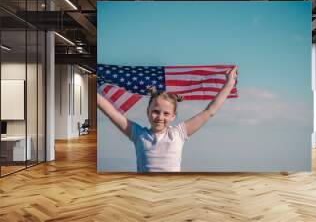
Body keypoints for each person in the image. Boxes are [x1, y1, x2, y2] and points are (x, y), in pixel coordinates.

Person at [97, 66, 238, 172]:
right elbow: (110, 112)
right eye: (155, 112)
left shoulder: (179, 133)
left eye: (166, 114)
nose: (160, 117)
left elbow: (209, 111)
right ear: (148, 112)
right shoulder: (138, 134)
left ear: (173, 116)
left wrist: (230, 83)